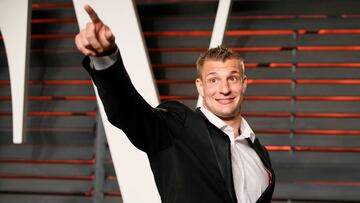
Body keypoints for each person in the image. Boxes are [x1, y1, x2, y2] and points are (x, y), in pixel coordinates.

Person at [75, 5, 275, 203]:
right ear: (200, 86)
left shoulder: (260, 154)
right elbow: (130, 113)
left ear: (244, 84)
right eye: (213, 80)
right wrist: (105, 58)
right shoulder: (178, 125)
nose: (224, 89)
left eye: (232, 78)